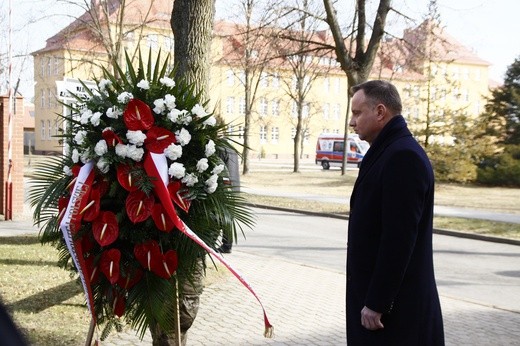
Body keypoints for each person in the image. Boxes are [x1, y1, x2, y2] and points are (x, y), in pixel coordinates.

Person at [346, 80, 444, 345]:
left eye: (357, 113)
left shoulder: (403, 157)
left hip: (395, 316)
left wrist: (377, 301)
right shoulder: (387, 151)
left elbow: (399, 239)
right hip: (383, 312)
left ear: (380, 112)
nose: (352, 122)